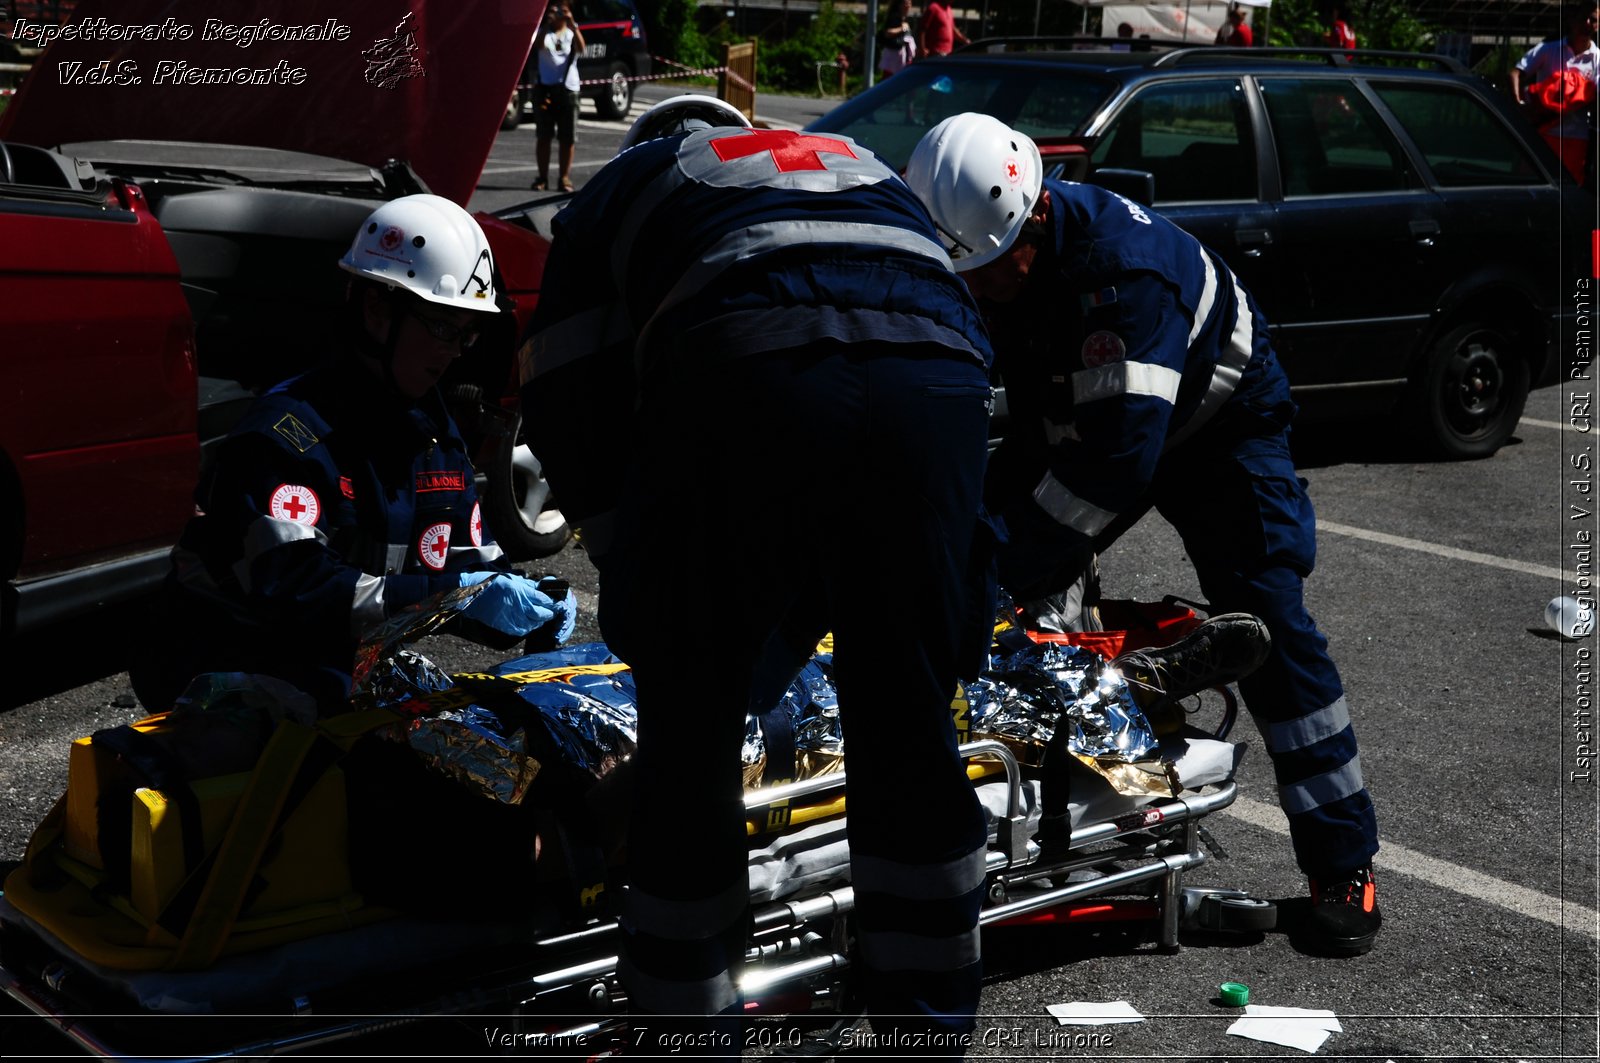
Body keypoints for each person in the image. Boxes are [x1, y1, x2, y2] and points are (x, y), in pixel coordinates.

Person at [518, 97, 997, 1048]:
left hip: (746, 367)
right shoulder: (860, 160)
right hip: (936, 379)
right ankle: (930, 1029)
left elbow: (564, 389)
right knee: (907, 724)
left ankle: (688, 1022)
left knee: (691, 740)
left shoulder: (624, 186)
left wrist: (636, 564)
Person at [904, 113, 1383, 958]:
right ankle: (1095, 677)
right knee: (980, 552)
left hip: (1219, 428)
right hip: (1103, 414)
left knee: (1269, 613)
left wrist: (1002, 563)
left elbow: (1111, 471)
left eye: (984, 271)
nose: (974, 288)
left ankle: (1343, 865)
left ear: (1033, 218)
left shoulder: (1124, 278)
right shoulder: (1000, 258)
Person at [129, 193, 573, 717]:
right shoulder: (284, 438)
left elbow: (465, 567)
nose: (454, 351)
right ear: (378, 311)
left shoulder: (432, 434)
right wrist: (454, 593)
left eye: (467, 332)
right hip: (220, 683)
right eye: (441, 326)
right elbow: (298, 590)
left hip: (327, 671)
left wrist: (530, 599)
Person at [1509, 1, 1600, 186]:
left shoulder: (1597, 60)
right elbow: (1515, 73)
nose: (1588, 24)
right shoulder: (1549, 49)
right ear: (1572, 20)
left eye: (1593, 20)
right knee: (1529, 184)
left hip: (1576, 139)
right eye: (1584, 18)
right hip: (1542, 133)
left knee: (1570, 190)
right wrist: (1519, 105)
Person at [531, 2, 586, 192]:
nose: (560, 14)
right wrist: (547, 23)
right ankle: (542, 177)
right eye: (556, 10)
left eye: (563, 11)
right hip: (545, 88)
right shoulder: (544, 33)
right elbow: (537, 45)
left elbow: (581, 48)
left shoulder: (571, 34)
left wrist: (573, 24)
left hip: (568, 89)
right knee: (543, 135)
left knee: (567, 137)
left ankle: (564, 177)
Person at [880, 0, 917, 78]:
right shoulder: (894, 17)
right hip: (893, 55)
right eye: (906, 3)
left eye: (910, 3)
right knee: (890, 79)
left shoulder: (904, 18)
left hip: (901, 56)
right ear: (900, 5)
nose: (908, 6)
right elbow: (888, 32)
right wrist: (902, 28)